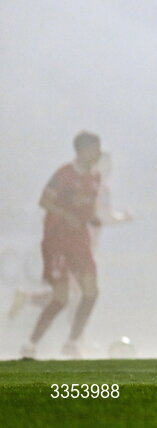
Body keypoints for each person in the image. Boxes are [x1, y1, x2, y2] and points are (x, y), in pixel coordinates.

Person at [20, 132, 106, 359]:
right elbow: (44, 201)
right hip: (57, 239)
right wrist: (66, 215)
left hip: (79, 239)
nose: (98, 154)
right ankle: (30, 343)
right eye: (95, 149)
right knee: (61, 298)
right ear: (83, 151)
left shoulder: (95, 177)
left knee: (91, 291)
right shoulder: (63, 174)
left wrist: (95, 218)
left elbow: (88, 210)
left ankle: (72, 342)